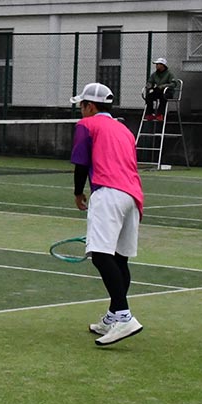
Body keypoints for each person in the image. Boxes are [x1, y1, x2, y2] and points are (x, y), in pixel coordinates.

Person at [70, 82, 145, 346]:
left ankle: (124, 316)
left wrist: (78, 193)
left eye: (82, 105)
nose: (81, 110)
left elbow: (81, 163)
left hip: (108, 193)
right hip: (132, 196)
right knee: (119, 259)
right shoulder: (124, 129)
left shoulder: (86, 125)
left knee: (101, 256)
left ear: (90, 106)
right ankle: (114, 315)